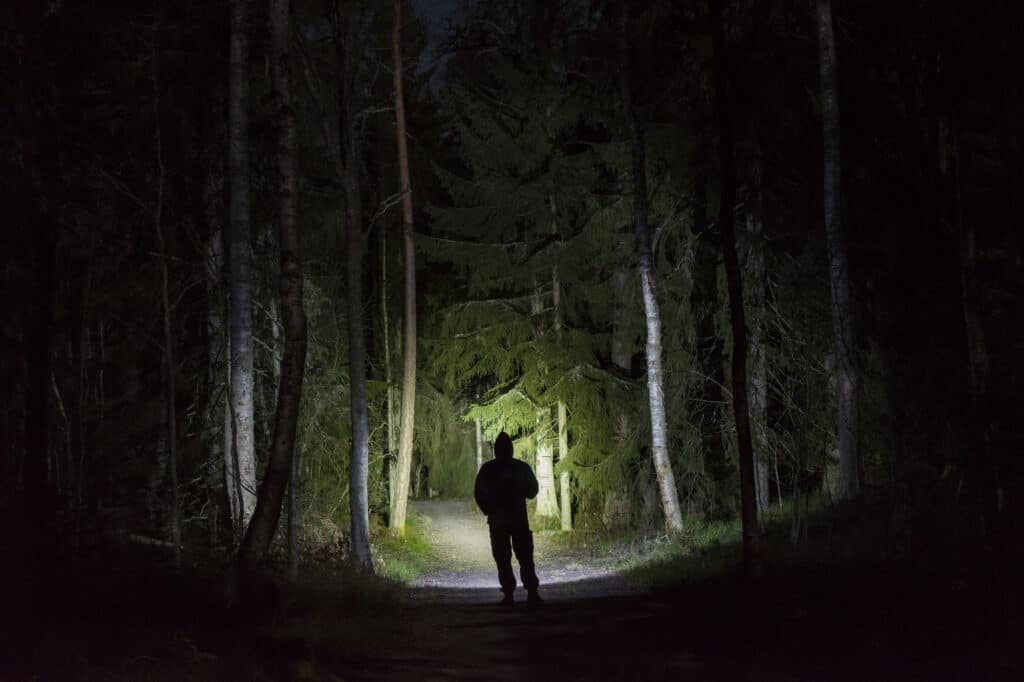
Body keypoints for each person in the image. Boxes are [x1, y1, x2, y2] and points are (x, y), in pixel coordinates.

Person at [474, 431, 542, 607]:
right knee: (525, 556)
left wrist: (487, 510)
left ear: (496, 450)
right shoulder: (521, 467)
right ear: (511, 449)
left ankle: (509, 594)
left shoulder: (488, 469)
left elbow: (478, 493)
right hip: (518, 519)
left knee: (502, 558)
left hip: (498, 521)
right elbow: (533, 491)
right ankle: (532, 592)